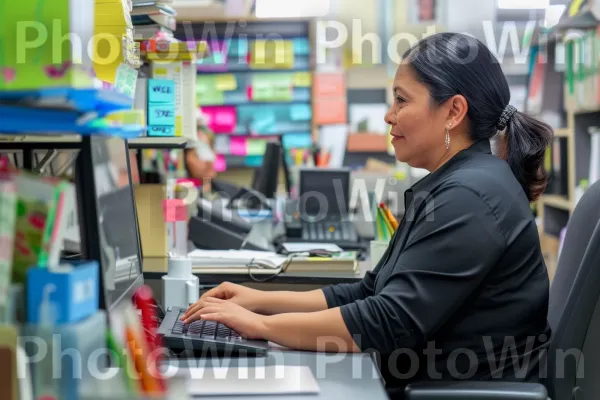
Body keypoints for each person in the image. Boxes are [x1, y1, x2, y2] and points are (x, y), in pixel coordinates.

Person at [182, 33, 553, 393]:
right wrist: (259, 301)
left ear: (453, 111)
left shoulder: (471, 196)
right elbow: (370, 291)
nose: (389, 116)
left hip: (448, 390)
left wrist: (261, 326)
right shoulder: (458, 184)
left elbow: (386, 323)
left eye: (401, 101)